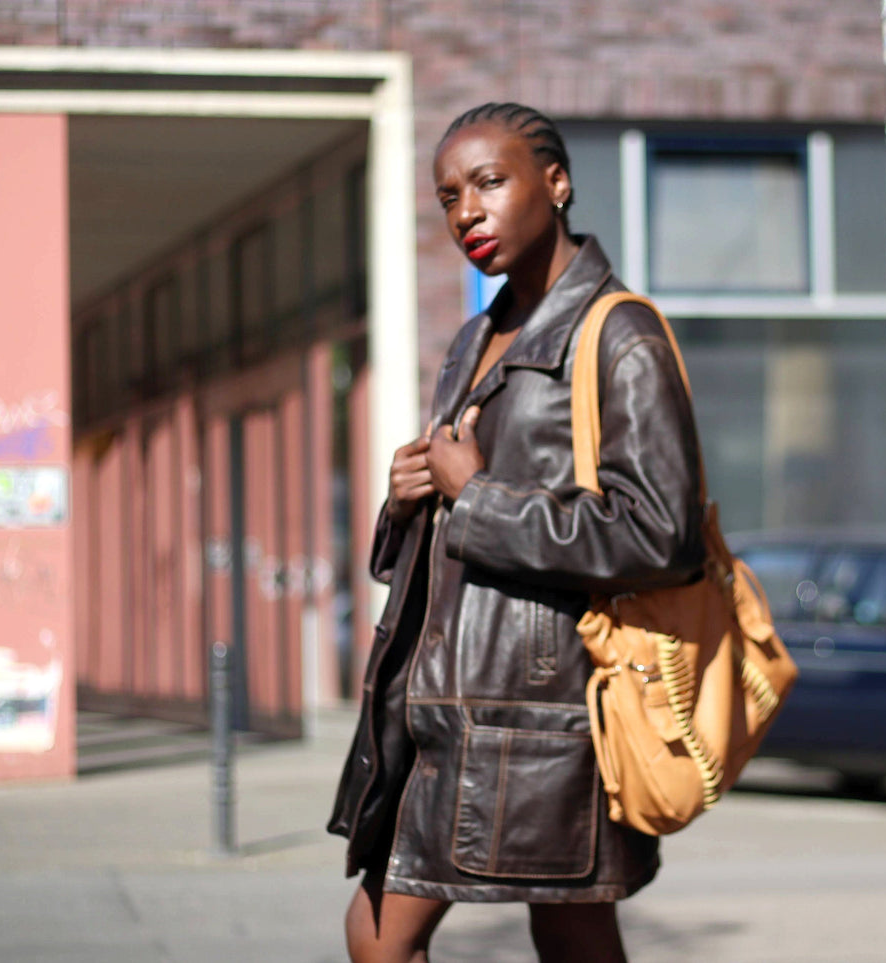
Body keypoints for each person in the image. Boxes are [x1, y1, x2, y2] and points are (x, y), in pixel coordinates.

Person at [328, 102, 706, 963]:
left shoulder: (620, 336)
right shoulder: (473, 340)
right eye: (448, 196)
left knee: (381, 933)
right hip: (447, 712)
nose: (466, 211)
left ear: (558, 183)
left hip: (542, 719)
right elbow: (442, 542)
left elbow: (661, 533)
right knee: (571, 933)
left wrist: (480, 495)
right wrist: (408, 498)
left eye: (489, 183)